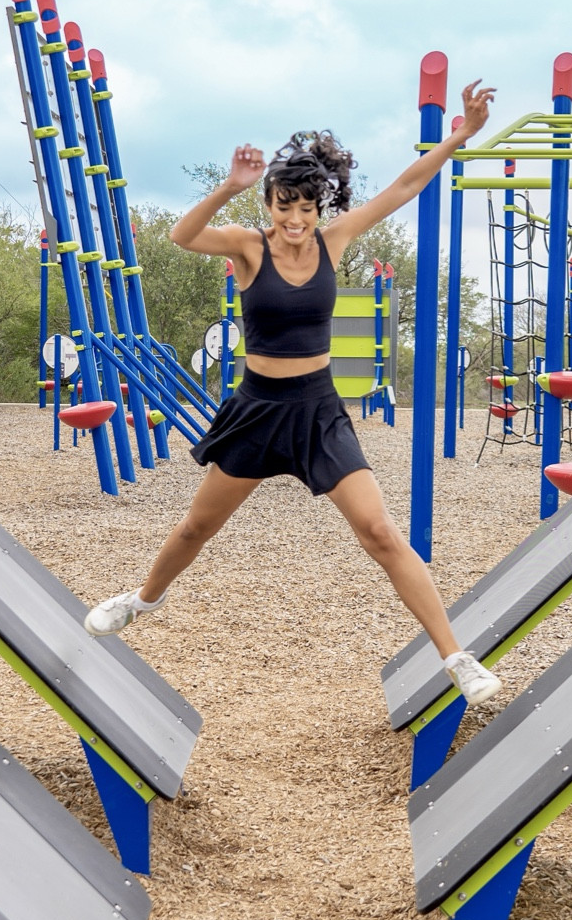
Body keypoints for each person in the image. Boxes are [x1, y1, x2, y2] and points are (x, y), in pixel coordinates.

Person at [83, 87, 505, 707]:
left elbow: (403, 188)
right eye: (285, 207)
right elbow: (180, 235)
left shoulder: (333, 242)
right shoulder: (249, 247)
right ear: (270, 202)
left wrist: (460, 135)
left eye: (306, 207)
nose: (296, 220)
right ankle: (143, 599)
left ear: (318, 205)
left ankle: (455, 656)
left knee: (381, 531)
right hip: (257, 410)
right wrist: (228, 186)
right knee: (198, 526)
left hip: (317, 410)